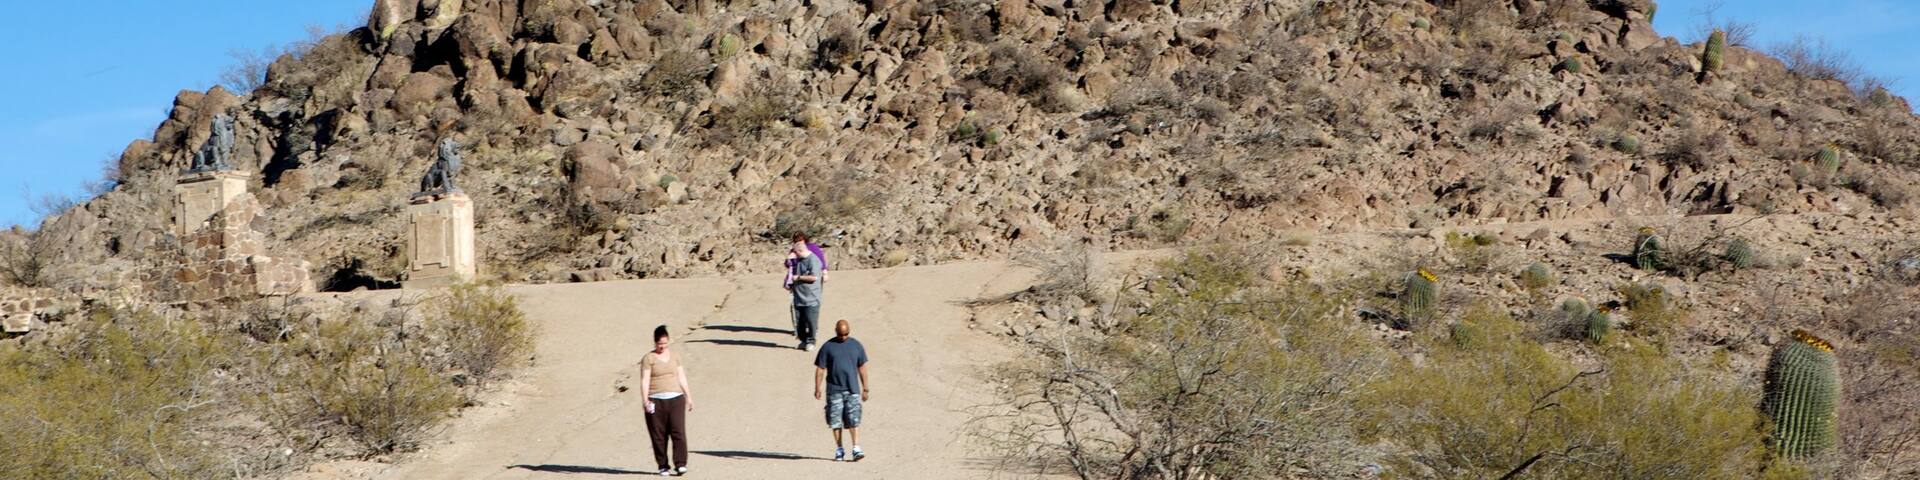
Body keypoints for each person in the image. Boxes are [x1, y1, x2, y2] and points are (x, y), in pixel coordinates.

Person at [640, 325, 694, 476]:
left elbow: (681, 377)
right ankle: (663, 465)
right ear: (654, 342)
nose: (662, 346)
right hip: (656, 399)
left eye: (664, 343)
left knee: (678, 432)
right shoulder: (648, 359)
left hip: (676, 398)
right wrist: (645, 400)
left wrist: (688, 396)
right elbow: (645, 380)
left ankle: (681, 463)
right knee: (658, 434)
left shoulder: (675, 356)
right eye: (659, 343)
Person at [813, 319, 869, 462]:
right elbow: (820, 368)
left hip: (852, 389)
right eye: (841, 334)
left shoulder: (856, 346)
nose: (843, 337)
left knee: (853, 419)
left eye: (846, 334)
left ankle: (856, 448)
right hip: (834, 390)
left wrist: (865, 388)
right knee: (835, 421)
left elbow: (862, 368)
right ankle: (839, 449)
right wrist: (817, 387)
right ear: (836, 331)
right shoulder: (827, 347)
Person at [786, 237, 825, 351]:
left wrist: (798, 277)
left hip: (811, 298)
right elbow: (789, 268)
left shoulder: (813, 260)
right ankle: (803, 340)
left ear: (799, 251)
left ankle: (811, 341)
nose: (794, 256)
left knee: (811, 321)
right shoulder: (798, 261)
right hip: (799, 298)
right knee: (800, 322)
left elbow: (813, 277)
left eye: (795, 253)